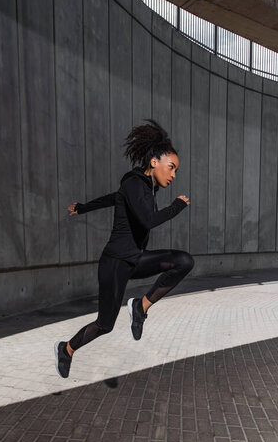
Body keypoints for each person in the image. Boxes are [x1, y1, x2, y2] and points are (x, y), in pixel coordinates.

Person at [54, 119, 194, 378]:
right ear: (155, 162)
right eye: (171, 168)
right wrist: (176, 206)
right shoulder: (134, 183)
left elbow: (113, 198)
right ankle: (67, 349)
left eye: (176, 170)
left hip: (135, 260)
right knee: (104, 325)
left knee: (184, 261)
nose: (174, 175)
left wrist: (84, 207)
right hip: (115, 264)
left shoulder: (144, 187)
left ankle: (140, 307)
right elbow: (148, 220)